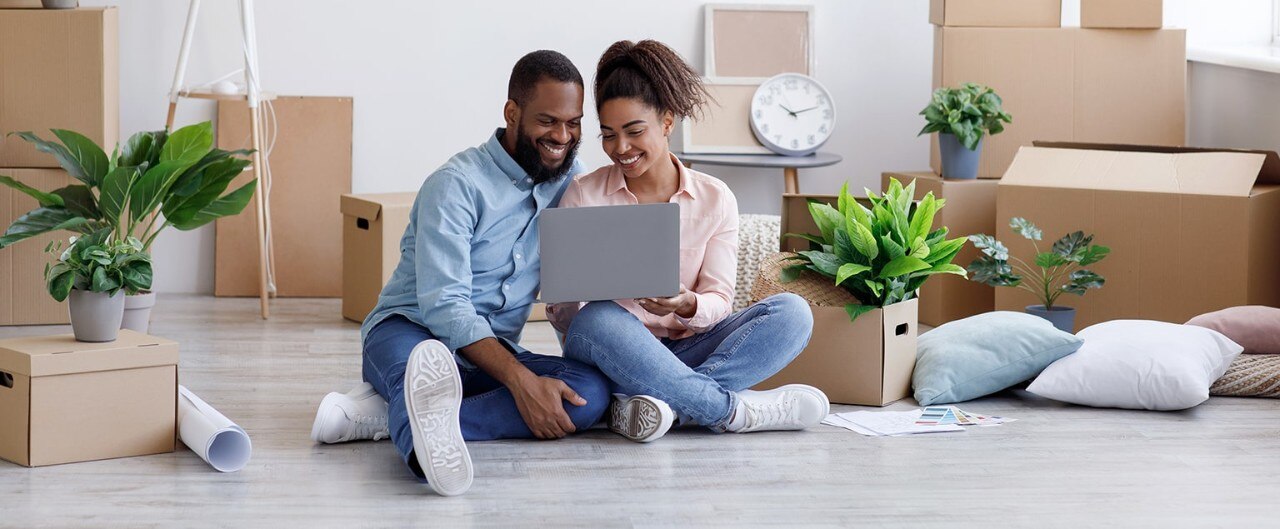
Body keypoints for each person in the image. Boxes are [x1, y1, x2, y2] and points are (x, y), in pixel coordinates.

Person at [310, 50, 610, 497]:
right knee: (419, 365)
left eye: (574, 123)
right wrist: (522, 383)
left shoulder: (572, 182)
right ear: (512, 113)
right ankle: (420, 437)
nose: (563, 136)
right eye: (548, 121)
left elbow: (581, 281)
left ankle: (397, 416)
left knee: (589, 394)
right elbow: (444, 307)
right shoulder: (455, 185)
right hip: (410, 331)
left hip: (490, 351)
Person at [546, 40, 828, 444]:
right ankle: (731, 410)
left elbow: (719, 300)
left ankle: (662, 407)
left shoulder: (715, 198)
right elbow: (571, 325)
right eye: (608, 135)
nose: (620, 148)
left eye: (634, 131)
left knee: (793, 312)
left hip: (691, 348)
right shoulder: (583, 194)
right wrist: (567, 296)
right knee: (598, 319)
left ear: (667, 121)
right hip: (615, 356)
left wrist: (685, 303)